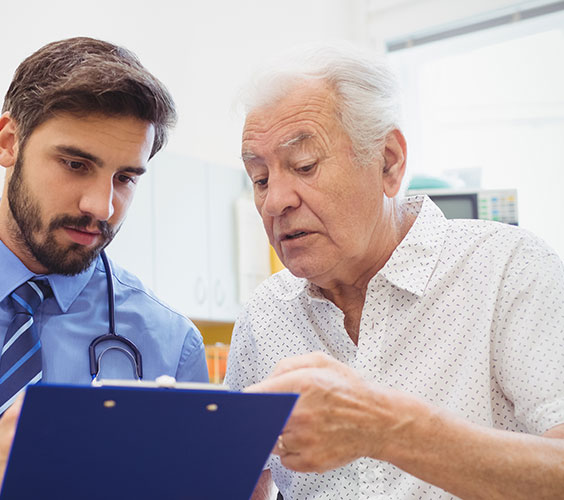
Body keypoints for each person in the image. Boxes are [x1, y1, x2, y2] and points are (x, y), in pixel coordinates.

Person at [0, 37, 209, 500]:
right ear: (9, 142)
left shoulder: (170, 344)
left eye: (125, 178)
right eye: (75, 163)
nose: (101, 206)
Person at [225, 43, 564, 500]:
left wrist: (386, 428)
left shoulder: (508, 269)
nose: (275, 200)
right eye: (260, 178)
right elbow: (244, 480)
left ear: (388, 161)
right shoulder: (265, 315)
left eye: (304, 165)